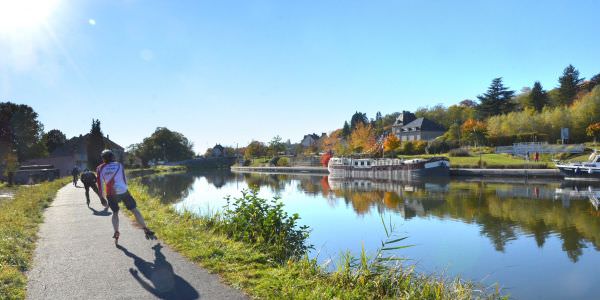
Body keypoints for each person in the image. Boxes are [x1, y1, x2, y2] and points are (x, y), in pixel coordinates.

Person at [96, 149, 155, 243]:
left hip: (111, 194)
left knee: (115, 213)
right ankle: (145, 229)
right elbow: (124, 179)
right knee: (134, 210)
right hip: (123, 192)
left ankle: (116, 232)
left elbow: (100, 184)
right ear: (112, 157)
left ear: (103, 159)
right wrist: (125, 190)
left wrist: (102, 198)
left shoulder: (99, 168)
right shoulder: (119, 165)